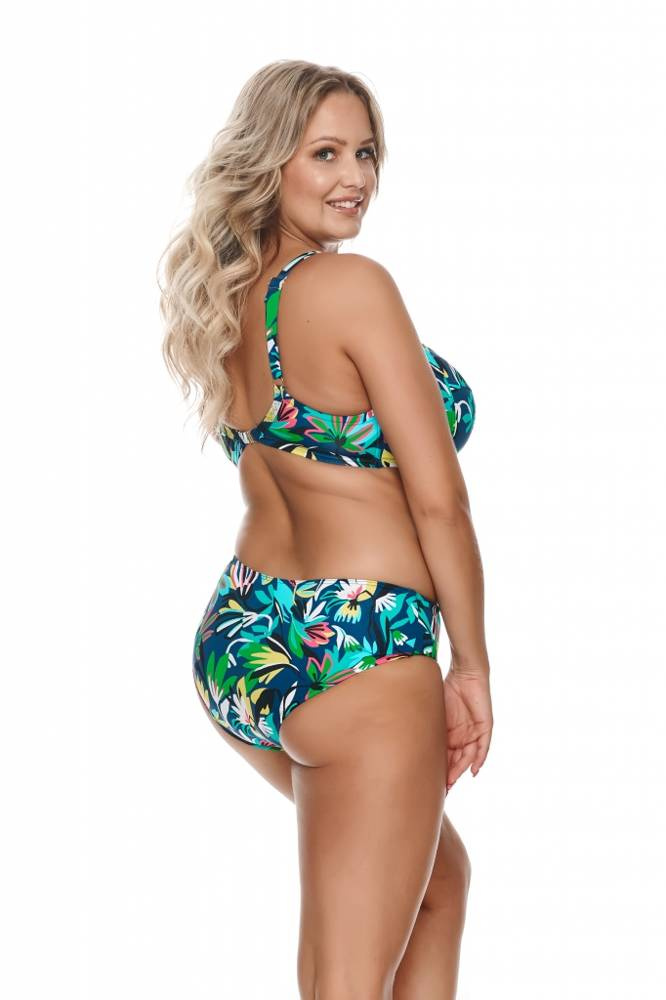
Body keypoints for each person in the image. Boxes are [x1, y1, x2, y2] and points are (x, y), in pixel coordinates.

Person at [159, 59, 493, 1000]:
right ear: (271, 162)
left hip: (244, 638)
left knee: (438, 885)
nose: (355, 177)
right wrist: (470, 666)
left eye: (367, 153)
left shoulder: (228, 297)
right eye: (327, 154)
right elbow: (440, 501)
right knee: (345, 981)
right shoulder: (351, 288)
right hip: (357, 645)